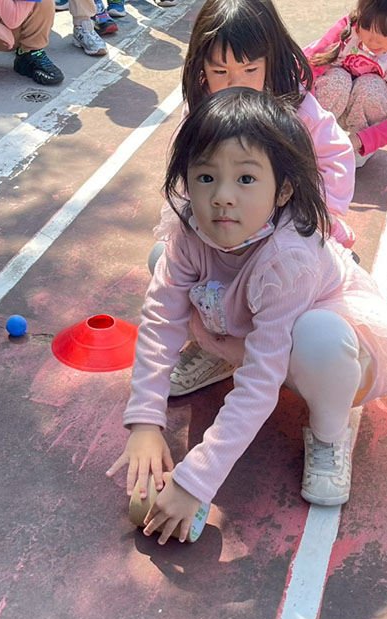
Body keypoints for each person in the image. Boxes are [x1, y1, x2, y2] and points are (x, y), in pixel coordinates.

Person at [107, 88, 387, 544]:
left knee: (318, 335)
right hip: (249, 324)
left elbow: (261, 382)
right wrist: (145, 422)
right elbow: (160, 322)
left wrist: (194, 481)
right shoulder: (190, 231)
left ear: (283, 189)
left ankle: (330, 433)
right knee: (160, 259)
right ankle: (221, 356)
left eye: (245, 178)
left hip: (323, 351)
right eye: (205, 177)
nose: (222, 197)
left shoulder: (289, 259)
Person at [154, 0, 358, 398]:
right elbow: (189, 170)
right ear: (201, 67)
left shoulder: (294, 106)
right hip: (227, 231)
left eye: (250, 70)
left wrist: (319, 214)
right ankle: (217, 349)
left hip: (281, 231)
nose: (236, 83)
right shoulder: (202, 108)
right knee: (170, 262)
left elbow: (335, 155)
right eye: (220, 72)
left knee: (284, 300)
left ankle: (273, 363)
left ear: (270, 59)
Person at [305, 0, 387, 168]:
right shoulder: (348, 27)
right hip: (329, 103)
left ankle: (353, 151)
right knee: (338, 79)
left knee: (371, 87)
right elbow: (306, 66)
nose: (373, 41)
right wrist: (304, 118)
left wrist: (362, 140)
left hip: (361, 121)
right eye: (367, 26)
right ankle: (310, 136)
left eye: (386, 33)